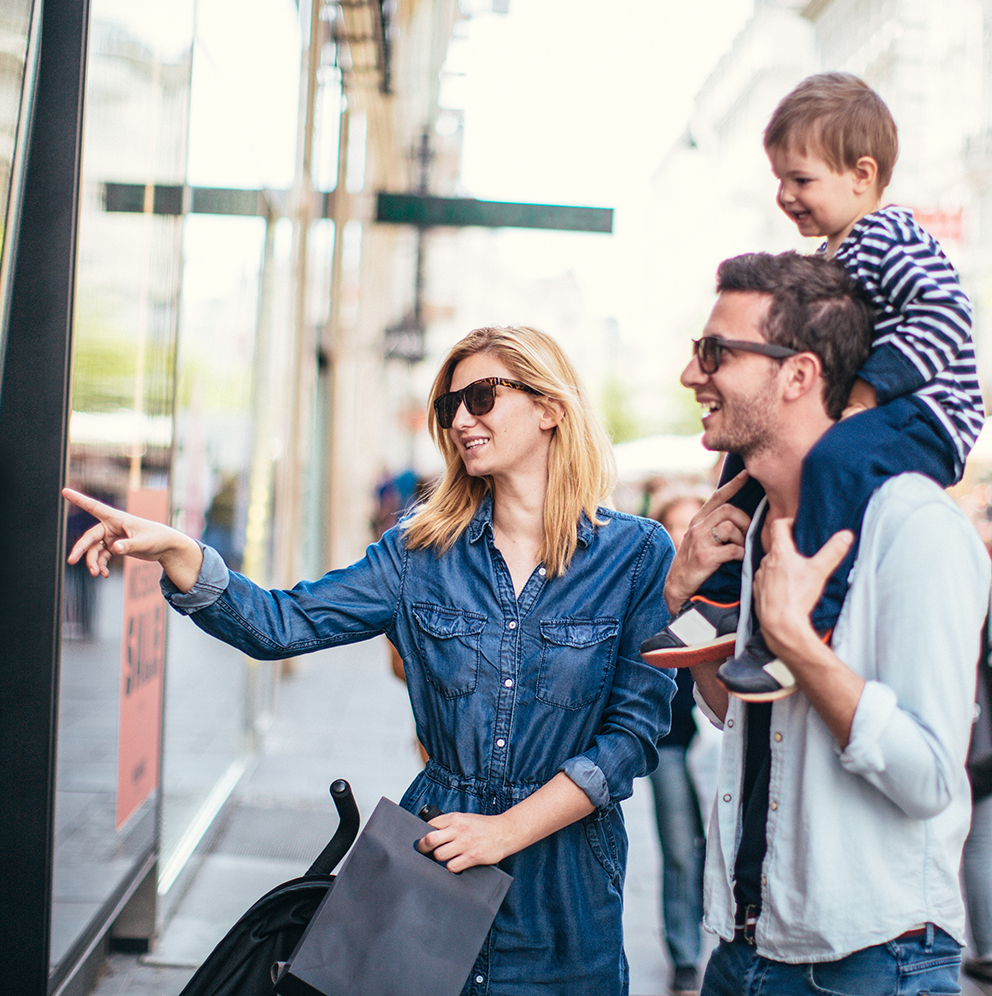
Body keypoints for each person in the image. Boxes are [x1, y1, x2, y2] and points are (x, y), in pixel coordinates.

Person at [63, 324, 677, 996]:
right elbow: (282, 623)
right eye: (449, 406)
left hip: (568, 884)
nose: (460, 419)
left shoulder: (637, 555)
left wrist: (506, 831)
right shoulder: (419, 552)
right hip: (433, 859)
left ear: (550, 407)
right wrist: (183, 554)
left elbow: (633, 735)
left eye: (481, 397)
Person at [657, 250, 990, 994]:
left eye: (715, 353)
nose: (692, 376)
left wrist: (801, 646)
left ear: (798, 374)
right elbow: (733, 716)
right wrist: (682, 599)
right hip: (744, 950)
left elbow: (931, 778)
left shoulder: (913, 525)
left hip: (869, 964)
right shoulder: (754, 524)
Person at [642, 72, 984, 703]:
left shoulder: (891, 237)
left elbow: (944, 314)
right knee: (745, 454)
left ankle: (808, 623)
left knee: (835, 458)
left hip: (925, 412)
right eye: (779, 181)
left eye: (800, 181)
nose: (785, 197)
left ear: (862, 174)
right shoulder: (829, 257)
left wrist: (866, 394)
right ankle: (722, 600)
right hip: (874, 408)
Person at [646, 494, 707, 996]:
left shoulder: (726, 589)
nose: (684, 536)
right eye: (674, 526)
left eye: (693, 525)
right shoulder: (654, 593)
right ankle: (685, 953)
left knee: (720, 849)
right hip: (669, 743)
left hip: (720, 741)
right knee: (680, 852)